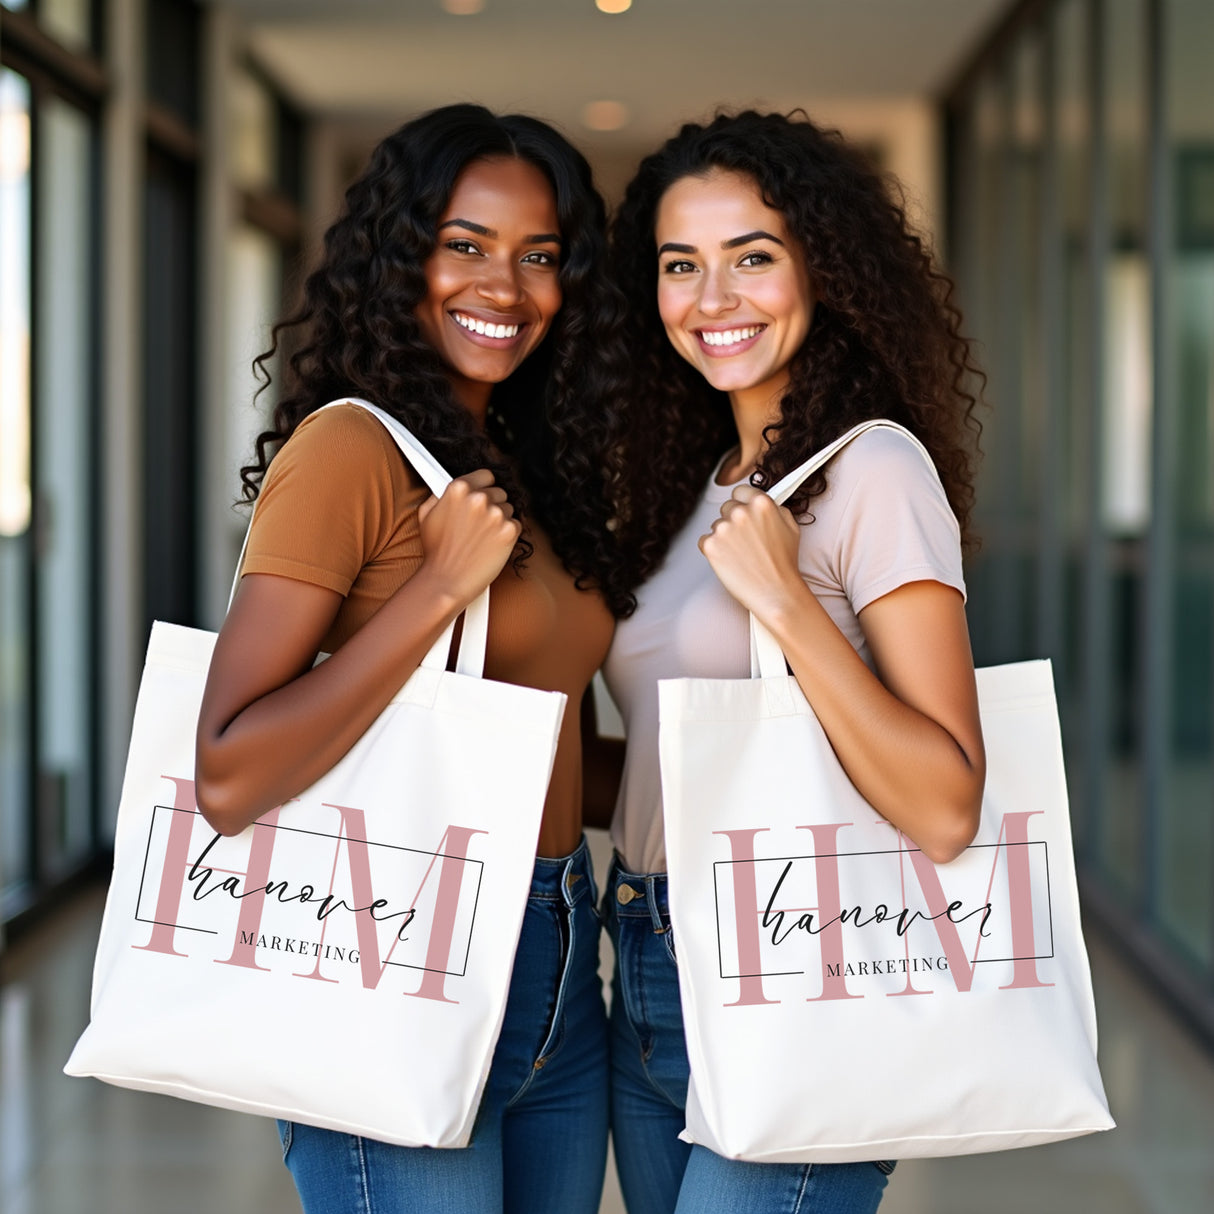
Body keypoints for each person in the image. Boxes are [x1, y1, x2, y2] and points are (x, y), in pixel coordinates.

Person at [194, 103, 631, 1214]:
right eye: (465, 244)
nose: (505, 285)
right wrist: (438, 589)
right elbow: (229, 768)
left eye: (540, 256)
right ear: (402, 257)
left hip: (558, 961)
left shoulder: (529, 461)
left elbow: (545, 729)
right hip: (396, 946)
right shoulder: (349, 451)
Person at [600, 110, 987, 1214]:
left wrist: (783, 601)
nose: (712, 298)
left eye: (751, 258)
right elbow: (683, 755)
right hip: (647, 955)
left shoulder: (875, 469)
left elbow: (945, 799)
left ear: (823, 268)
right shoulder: (697, 479)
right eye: (682, 265)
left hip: (796, 957)